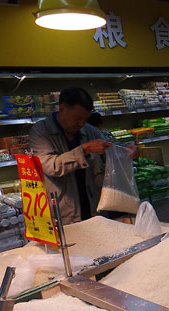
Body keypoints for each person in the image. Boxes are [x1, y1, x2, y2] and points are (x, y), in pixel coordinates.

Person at [29, 87, 112, 224]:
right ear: (62, 108)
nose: (81, 123)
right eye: (78, 118)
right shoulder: (40, 132)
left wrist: (126, 151)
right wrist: (84, 150)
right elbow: (52, 166)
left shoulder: (89, 130)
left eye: (85, 119)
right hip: (64, 213)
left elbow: (110, 149)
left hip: (93, 206)